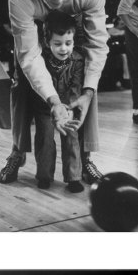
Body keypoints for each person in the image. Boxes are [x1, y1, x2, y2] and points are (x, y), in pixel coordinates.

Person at [0, 0, 109, 185]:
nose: (58, 0)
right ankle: (17, 152)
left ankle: (85, 158)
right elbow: (29, 56)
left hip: (72, 26)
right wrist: (54, 101)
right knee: (21, 83)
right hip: (36, 27)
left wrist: (88, 92)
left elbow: (98, 46)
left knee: (86, 85)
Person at [32, 11, 85, 193]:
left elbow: (76, 87)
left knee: (71, 136)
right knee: (45, 139)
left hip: (68, 107)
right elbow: (38, 83)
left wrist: (69, 108)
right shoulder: (40, 60)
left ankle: (73, 177)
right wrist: (52, 105)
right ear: (47, 43)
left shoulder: (77, 60)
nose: (64, 49)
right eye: (58, 44)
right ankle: (44, 176)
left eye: (68, 43)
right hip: (45, 108)